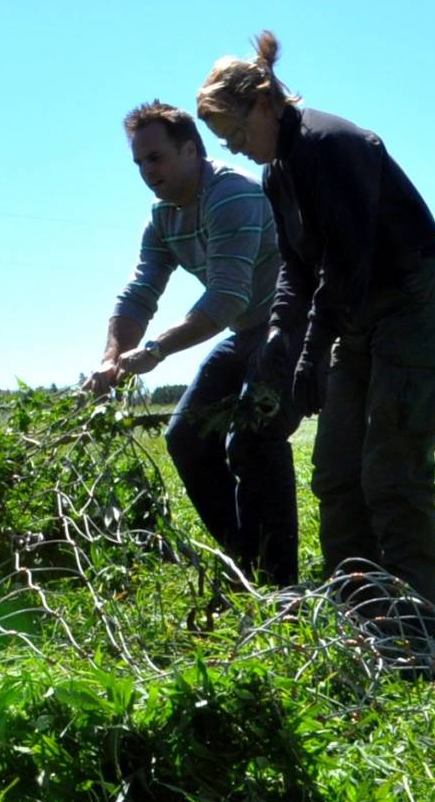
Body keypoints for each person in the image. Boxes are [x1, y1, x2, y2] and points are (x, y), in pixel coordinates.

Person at [196, 31, 435, 606]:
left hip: (415, 302)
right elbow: (299, 270)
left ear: (265, 103)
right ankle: (361, 606)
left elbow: (346, 261)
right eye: (227, 140)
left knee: (391, 472)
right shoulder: (279, 173)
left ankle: (415, 623)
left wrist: (314, 347)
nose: (237, 148)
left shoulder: (332, 145)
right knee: (336, 471)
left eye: (238, 133)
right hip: (357, 314)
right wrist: (279, 337)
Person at [86, 101, 301, 587]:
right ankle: (243, 563)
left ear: (190, 149)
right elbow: (140, 293)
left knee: (252, 440)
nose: (147, 171)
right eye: (139, 163)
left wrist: (157, 350)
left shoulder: (231, 194)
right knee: (186, 436)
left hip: (294, 325)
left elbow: (226, 296)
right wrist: (111, 358)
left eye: (156, 158)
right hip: (247, 331)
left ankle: (279, 584)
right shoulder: (162, 218)